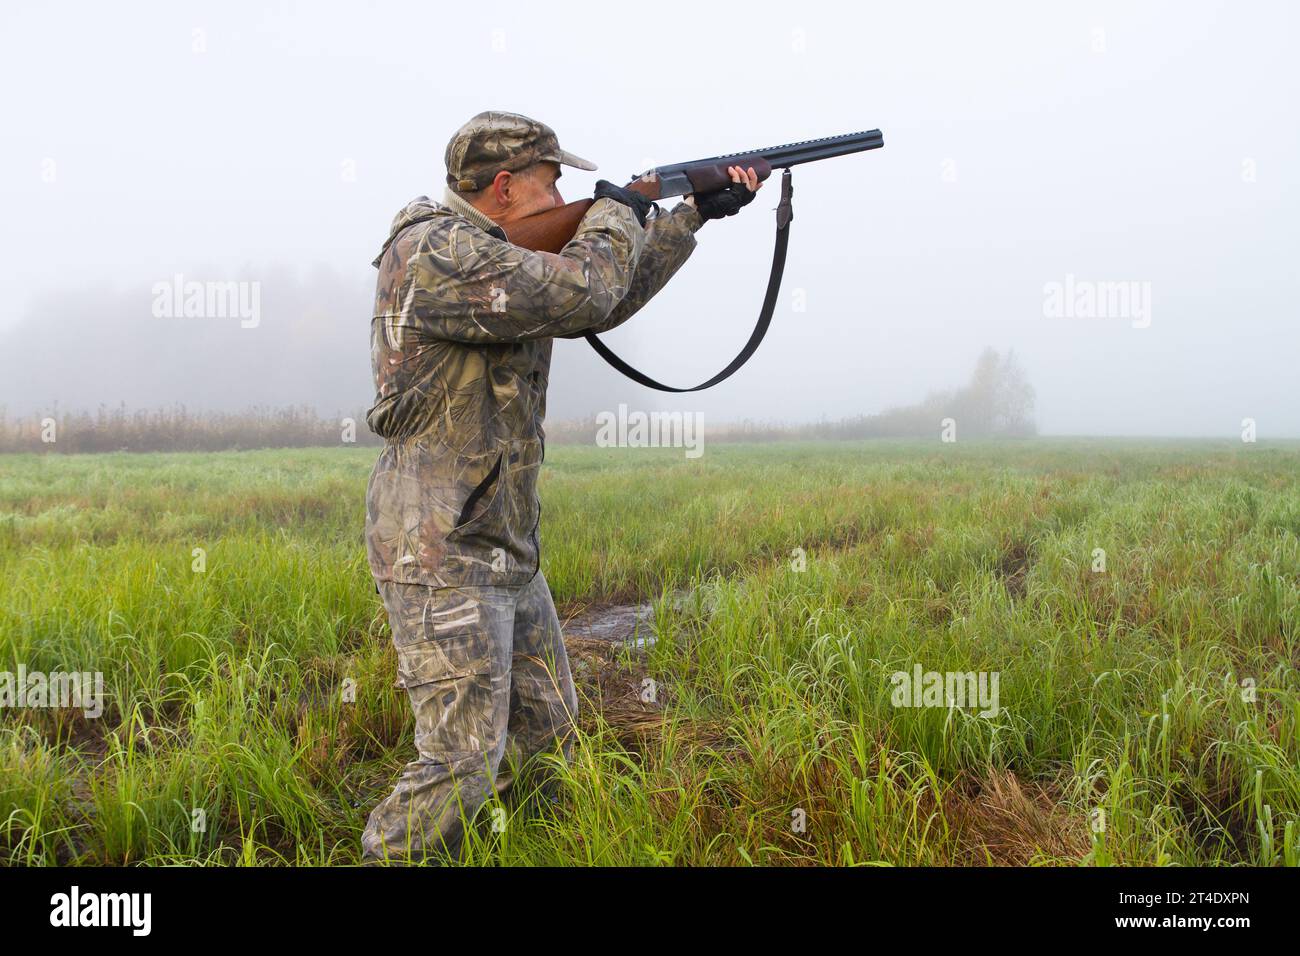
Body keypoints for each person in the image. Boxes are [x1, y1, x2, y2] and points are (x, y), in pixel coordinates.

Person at [361, 110, 761, 862]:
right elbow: (580, 292)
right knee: (458, 765)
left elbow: (599, 295)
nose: (563, 196)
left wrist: (688, 217)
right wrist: (620, 208)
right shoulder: (437, 253)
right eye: (554, 182)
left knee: (548, 735)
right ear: (506, 186)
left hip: (504, 542)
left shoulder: (498, 258)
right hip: (442, 552)